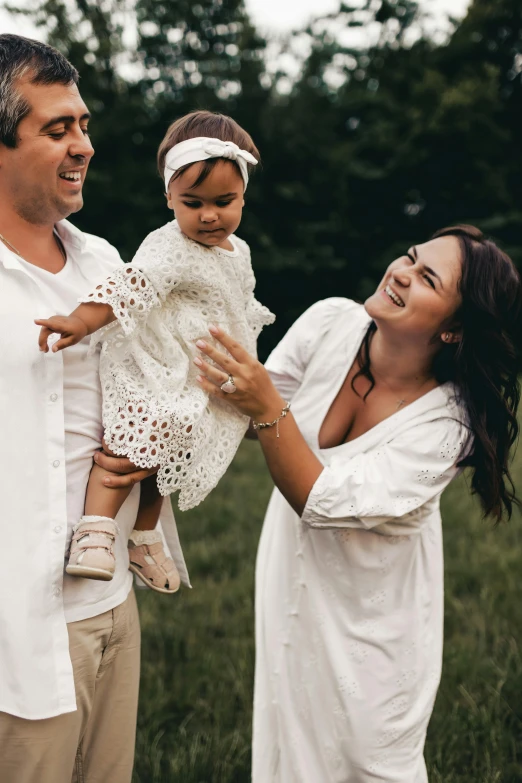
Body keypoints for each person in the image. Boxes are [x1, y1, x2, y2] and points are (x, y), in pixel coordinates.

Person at [193, 225, 521, 782]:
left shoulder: (446, 426)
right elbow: (259, 417)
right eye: (411, 258)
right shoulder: (331, 322)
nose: (401, 272)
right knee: (292, 747)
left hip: (375, 631)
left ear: (455, 330)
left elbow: (317, 497)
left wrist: (266, 404)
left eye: (427, 278)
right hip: (296, 592)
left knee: (372, 760)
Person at [0, 33, 189, 783]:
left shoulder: (108, 266)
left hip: (112, 608)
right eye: (56, 129)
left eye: (82, 124)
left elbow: (160, 381)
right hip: (13, 629)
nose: (83, 144)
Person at [37, 110, 274, 591]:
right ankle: (96, 531)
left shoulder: (240, 251)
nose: (209, 215)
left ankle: (144, 534)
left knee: (170, 451)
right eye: (193, 202)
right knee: (139, 434)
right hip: (154, 361)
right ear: (169, 197)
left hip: (194, 367)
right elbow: (133, 285)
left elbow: (239, 304)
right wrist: (82, 320)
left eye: (224, 202)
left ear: (244, 196)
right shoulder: (169, 247)